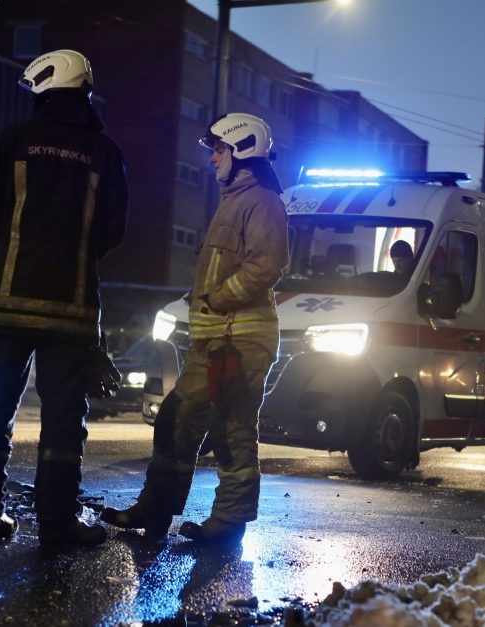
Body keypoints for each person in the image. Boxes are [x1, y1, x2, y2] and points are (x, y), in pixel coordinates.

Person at [0, 49, 128, 546]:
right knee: (62, 423)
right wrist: (71, 258)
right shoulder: (105, 152)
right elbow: (112, 232)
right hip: (71, 312)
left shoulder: (15, 141)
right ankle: (57, 525)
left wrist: (20, 252)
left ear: (44, 86)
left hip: (7, 304)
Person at [102, 112, 288, 543]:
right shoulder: (235, 200)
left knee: (231, 428)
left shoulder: (261, 201)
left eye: (219, 151)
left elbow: (267, 264)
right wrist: (201, 302)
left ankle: (226, 523)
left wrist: (217, 298)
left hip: (239, 341)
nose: (211, 160)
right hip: (218, 340)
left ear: (241, 151)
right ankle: (157, 510)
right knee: (176, 418)